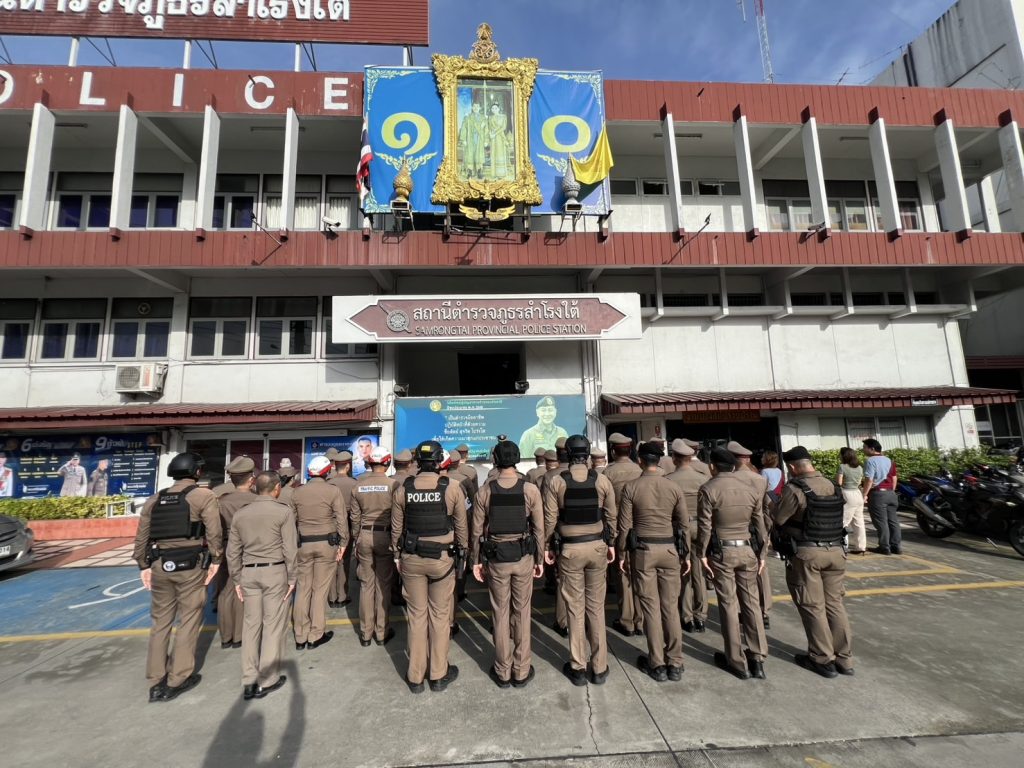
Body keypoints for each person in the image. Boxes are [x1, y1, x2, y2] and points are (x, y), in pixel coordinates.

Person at [132, 452, 222, 702]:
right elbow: (214, 532)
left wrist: (143, 565)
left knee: (160, 623)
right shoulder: (203, 496)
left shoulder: (155, 499)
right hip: (190, 564)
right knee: (189, 620)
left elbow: (142, 536)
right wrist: (216, 559)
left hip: (160, 563)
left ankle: (155, 679)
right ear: (197, 472)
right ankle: (177, 678)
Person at [392, 440, 468, 693]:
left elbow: (397, 528)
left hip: (411, 558)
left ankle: (415, 676)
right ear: (438, 462)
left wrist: (397, 556)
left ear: (417, 462)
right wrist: (463, 553)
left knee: (416, 616)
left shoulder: (404, 488)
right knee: (440, 615)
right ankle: (438, 674)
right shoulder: (452, 487)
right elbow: (461, 526)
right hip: (441, 559)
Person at [543, 434, 617, 686]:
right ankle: (600, 667)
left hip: (570, 550)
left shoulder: (557, 481)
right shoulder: (602, 480)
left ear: (567, 453)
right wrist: (611, 543)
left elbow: (550, 519)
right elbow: (611, 516)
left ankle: (578, 667)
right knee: (596, 608)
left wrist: (547, 546)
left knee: (574, 608)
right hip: (597, 547)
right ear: (587, 453)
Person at [775, 446, 854, 678]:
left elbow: (779, 518)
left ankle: (822, 658)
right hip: (836, 551)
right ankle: (845, 659)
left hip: (808, 553)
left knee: (812, 606)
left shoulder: (795, 488)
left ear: (792, 467)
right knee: (835, 604)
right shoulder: (832, 485)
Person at [472, 439, 544, 688]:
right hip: (523, 557)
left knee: (500, 613)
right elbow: (539, 528)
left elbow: (476, 530)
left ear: (495, 460)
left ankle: (502, 670)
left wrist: (476, 561)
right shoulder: (530, 489)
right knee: (522, 612)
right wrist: (539, 558)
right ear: (517, 459)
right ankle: (521, 669)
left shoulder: (485, 491)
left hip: (496, 559)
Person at [617, 442, 689, 682]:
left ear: (640, 461)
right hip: (669, 549)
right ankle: (675, 662)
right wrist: (686, 555)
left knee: (650, 607)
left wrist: (622, 554)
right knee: (670, 607)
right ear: (659, 461)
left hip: (644, 551)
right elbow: (683, 524)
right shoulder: (673, 487)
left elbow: (625, 527)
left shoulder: (631, 487)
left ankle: (657, 663)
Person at [697, 447, 768, 680]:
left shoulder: (709, 489)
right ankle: (757, 657)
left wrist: (702, 553)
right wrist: (762, 553)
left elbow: (705, 526)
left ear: (712, 466)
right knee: (751, 603)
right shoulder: (751, 489)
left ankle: (736, 660)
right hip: (747, 549)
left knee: (728, 603)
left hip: (723, 551)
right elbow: (760, 525)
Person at [227, 470, 297, 700]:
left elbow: (232, 551)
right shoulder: (283, 512)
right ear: (277, 488)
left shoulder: (241, 514)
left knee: (251, 627)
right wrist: (292, 577)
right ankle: (267, 679)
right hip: (275, 571)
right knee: (273, 626)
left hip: (249, 572)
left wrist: (237, 578)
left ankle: (249, 679)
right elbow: (290, 549)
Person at [292, 456, 348, 651]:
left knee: (303, 589)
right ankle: (315, 634)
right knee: (320, 590)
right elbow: (341, 518)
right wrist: (343, 542)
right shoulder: (332, 491)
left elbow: (292, 520)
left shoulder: (297, 492)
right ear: (326, 472)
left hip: (303, 544)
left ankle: (300, 635)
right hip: (326, 544)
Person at [348, 447, 399, 647]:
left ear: (370, 463)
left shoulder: (358, 486)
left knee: (366, 585)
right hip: (385, 536)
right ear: (387, 463)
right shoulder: (394, 485)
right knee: (383, 584)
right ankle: (381, 632)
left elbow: (355, 518)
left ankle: (365, 633)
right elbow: (398, 517)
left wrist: (357, 539)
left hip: (364, 536)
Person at [728, 441, 774, 630]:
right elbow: (767, 506)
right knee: (761, 569)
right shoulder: (760, 479)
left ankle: (745, 610)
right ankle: (764, 611)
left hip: (739, 528)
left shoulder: (731, 478)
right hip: (759, 527)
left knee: (740, 575)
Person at [602, 432, 643, 638]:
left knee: (623, 573)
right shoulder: (640, 470)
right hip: (642, 528)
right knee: (641, 574)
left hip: (619, 528)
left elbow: (606, 506)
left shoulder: (607, 473)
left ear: (612, 451)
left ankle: (627, 620)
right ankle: (641, 619)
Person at [665, 439, 708, 633]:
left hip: (679, 528)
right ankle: (701, 616)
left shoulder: (669, 480)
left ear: (674, 458)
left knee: (683, 570)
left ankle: (687, 616)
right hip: (700, 525)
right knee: (699, 573)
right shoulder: (703, 478)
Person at [215, 455, 256, 650]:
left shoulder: (221, 501)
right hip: (249, 547)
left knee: (225, 590)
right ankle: (239, 635)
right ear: (251, 478)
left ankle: (226, 636)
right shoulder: (256, 500)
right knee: (244, 589)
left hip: (225, 546)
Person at [861, 439, 901, 555]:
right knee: (893, 521)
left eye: (865, 447)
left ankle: (884, 547)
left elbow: (869, 479)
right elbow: (894, 477)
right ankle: (896, 546)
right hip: (891, 493)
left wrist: (864, 494)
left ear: (872, 449)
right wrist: (891, 490)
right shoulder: (889, 460)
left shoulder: (870, 461)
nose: (863, 450)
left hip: (878, 494)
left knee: (881, 522)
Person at [328, 450, 357, 608]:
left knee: (332, 560)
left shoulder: (328, 483)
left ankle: (332, 596)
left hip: (330, 525)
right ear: (348, 466)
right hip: (347, 524)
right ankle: (342, 596)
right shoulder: (354, 483)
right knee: (344, 560)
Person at [836, 447, 867, 555]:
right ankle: (861, 547)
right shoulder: (859, 467)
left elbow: (839, 483)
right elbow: (859, 482)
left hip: (847, 494)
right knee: (859, 523)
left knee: (843, 521)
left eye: (840, 454)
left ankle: (842, 546)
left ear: (844, 455)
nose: (839, 456)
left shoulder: (842, 467)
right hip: (858, 494)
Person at [458, 99, 487, 179]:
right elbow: (463, 128)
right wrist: (464, 139)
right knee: (470, 155)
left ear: (480, 107)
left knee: (479, 155)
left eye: (477, 106)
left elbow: (486, 130)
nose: (476, 108)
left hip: (479, 139)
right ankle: (470, 172)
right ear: (472, 107)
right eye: (474, 106)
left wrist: (486, 140)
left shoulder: (483, 118)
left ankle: (479, 172)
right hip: (470, 139)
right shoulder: (467, 117)